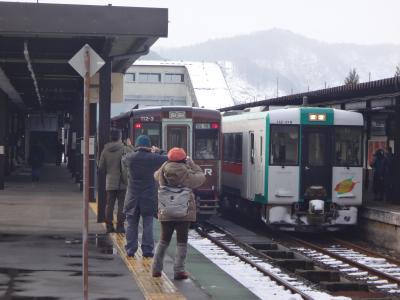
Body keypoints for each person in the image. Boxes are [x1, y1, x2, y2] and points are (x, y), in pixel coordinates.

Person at [152, 147, 205, 280]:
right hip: (184, 211)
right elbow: (201, 177)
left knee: (164, 240)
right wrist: (192, 164)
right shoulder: (187, 174)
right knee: (182, 241)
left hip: (166, 210)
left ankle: (156, 269)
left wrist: (166, 162)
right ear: (183, 160)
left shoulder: (163, 171)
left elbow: (155, 175)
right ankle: (179, 271)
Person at [123, 135, 167, 258]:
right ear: (149, 146)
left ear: (137, 145)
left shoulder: (130, 157)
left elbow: (125, 159)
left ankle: (131, 249)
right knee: (148, 224)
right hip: (148, 197)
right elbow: (169, 157)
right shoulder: (154, 158)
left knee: (132, 224)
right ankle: (147, 250)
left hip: (132, 197)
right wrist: (159, 151)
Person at [98, 130, 132, 233]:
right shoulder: (124, 148)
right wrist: (130, 145)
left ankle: (109, 226)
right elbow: (133, 156)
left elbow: (101, 167)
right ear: (120, 137)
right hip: (122, 181)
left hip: (110, 181)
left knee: (109, 204)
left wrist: (109, 173)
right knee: (122, 205)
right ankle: (120, 226)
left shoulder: (105, 150)